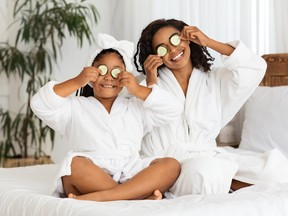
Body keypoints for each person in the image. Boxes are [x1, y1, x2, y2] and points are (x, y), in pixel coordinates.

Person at [134, 18, 288, 196]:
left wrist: (208, 41)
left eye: (175, 39)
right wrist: (151, 82)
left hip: (208, 156)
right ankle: (167, 186)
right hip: (169, 163)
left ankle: (223, 183)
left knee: (277, 170)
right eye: (162, 48)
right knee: (204, 172)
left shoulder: (214, 80)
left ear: (187, 38)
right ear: (155, 56)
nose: (172, 50)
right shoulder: (145, 86)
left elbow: (253, 67)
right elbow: (137, 125)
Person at [30, 33, 182, 202]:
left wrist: (137, 90)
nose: (109, 76)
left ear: (125, 78)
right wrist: (76, 81)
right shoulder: (74, 107)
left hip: (130, 172)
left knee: (171, 165)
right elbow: (39, 104)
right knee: (74, 165)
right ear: (90, 75)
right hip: (91, 173)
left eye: (116, 72)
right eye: (102, 70)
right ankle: (136, 197)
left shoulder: (135, 106)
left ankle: (100, 197)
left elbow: (173, 109)